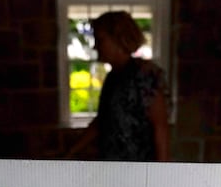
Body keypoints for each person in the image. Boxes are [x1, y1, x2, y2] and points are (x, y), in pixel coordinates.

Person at [64, 11, 171, 161]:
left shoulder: (145, 76)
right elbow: (103, 121)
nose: (96, 46)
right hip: (113, 167)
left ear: (119, 39)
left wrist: (162, 173)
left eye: (100, 40)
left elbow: (160, 127)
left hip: (139, 169)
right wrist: (72, 150)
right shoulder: (113, 78)